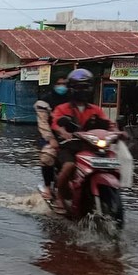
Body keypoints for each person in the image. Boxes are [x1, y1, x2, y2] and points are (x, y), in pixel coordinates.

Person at [51, 69, 113, 211]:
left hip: (91, 147)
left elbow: (109, 123)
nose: (82, 90)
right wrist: (63, 132)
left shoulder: (96, 109)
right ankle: (61, 198)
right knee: (68, 166)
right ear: (72, 89)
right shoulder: (62, 108)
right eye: (79, 87)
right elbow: (55, 124)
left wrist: (118, 132)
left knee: (109, 164)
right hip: (69, 147)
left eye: (85, 87)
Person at [34, 76, 70, 199]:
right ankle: (48, 188)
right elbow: (43, 123)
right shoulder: (45, 101)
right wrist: (51, 138)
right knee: (47, 157)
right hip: (50, 136)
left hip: (72, 137)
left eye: (65, 84)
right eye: (60, 83)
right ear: (54, 85)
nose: (62, 86)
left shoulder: (73, 100)